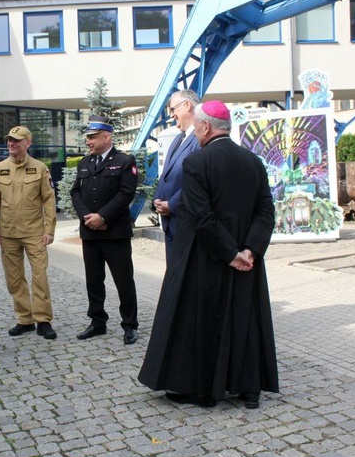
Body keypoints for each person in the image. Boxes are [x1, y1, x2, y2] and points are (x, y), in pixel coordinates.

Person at [138, 101, 278, 409]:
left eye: (198, 129)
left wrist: (229, 254)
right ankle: (247, 387)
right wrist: (249, 250)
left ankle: (203, 390)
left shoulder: (197, 162)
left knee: (203, 321)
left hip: (207, 256)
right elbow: (266, 211)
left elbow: (200, 216)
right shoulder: (253, 161)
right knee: (244, 318)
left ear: (204, 127)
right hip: (248, 260)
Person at [70, 115, 139, 345]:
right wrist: (87, 218)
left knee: (123, 281)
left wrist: (103, 216)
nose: (88, 141)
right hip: (90, 232)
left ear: (106, 137)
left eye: (92, 137)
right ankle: (97, 321)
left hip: (114, 233)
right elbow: (75, 193)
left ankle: (129, 325)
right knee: (93, 280)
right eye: (87, 137)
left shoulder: (124, 161)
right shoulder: (84, 163)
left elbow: (125, 194)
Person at [0, 126, 57, 340]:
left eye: (16, 140)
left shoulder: (40, 168)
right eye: (9, 140)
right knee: (14, 279)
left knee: (39, 276)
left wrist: (49, 229)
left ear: (28, 143)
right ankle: (24, 320)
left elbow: (49, 200)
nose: (11, 144)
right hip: (8, 233)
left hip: (34, 232)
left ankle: (43, 320)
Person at [153, 89, 201, 264]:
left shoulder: (200, 138)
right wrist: (157, 199)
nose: (172, 115)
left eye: (173, 110)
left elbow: (197, 182)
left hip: (186, 222)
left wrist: (172, 204)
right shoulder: (177, 139)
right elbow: (167, 175)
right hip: (171, 222)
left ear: (187, 105)